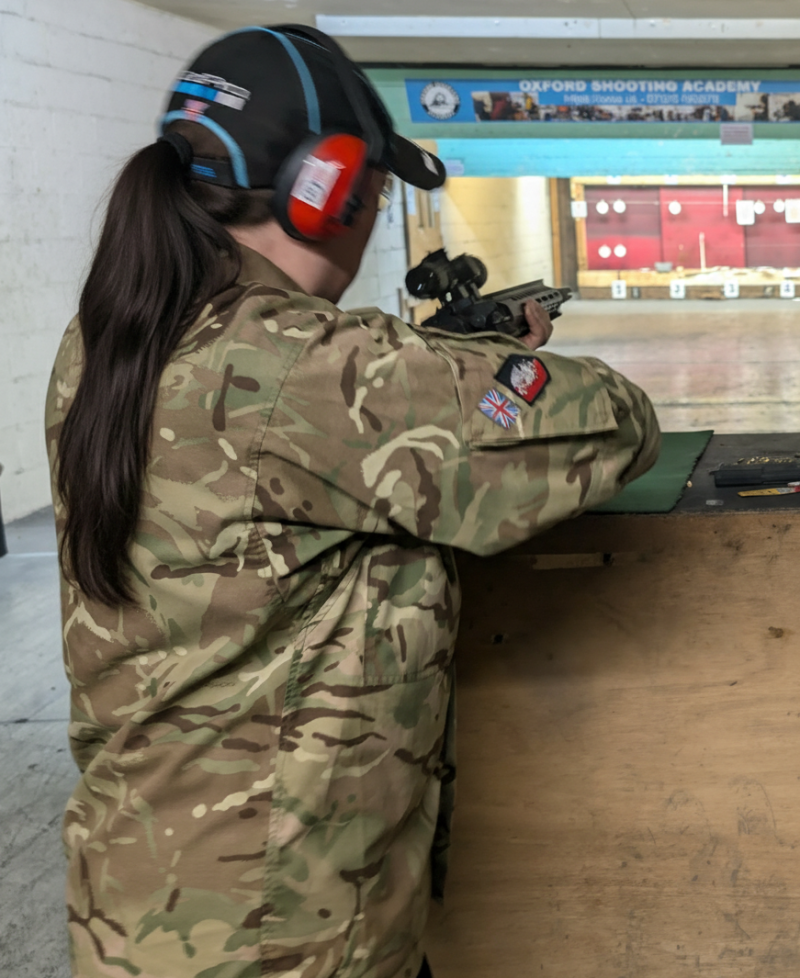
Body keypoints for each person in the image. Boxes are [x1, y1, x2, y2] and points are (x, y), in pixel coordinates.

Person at [45, 24, 661, 978]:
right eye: (372, 196)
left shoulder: (109, 340)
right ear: (323, 189)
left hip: (146, 895)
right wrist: (479, 357)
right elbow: (607, 424)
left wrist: (427, 356)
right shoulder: (303, 369)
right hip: (280, 926)